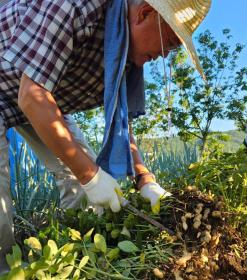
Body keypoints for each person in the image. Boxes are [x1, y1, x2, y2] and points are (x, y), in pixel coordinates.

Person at [0, 0, 211, 272]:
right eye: (168, 42)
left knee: (81, 185)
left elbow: (122, 122)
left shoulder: (124, 49)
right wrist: (91, 176)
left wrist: (145, 179)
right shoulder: (74, 6)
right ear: (144, 13)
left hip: (40, 95)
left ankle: (78, 259)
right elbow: (32, 96)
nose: (165, 55)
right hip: (28, 89)